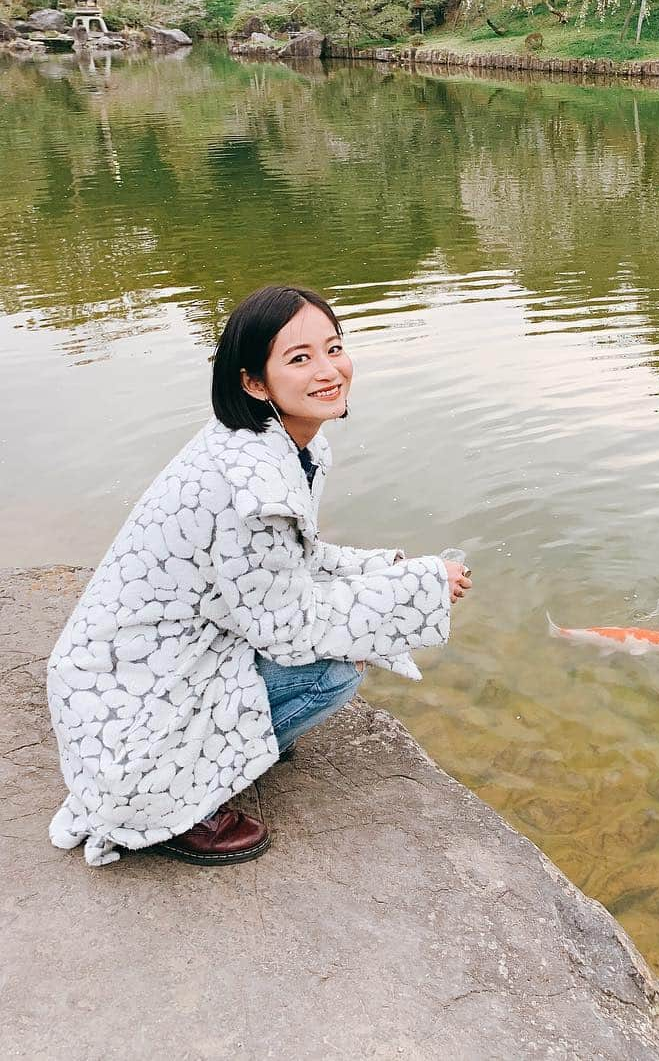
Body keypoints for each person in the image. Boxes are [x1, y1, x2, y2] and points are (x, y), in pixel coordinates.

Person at [46, 285, 472, 867]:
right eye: (299, 359)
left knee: (349, 636)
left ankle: (238, 739)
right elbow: (287, 626)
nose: (329, 372)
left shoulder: (267, 441)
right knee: (333, 673)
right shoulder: (257, 483)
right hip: (135, 704)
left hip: (140, 667)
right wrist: (413, 591)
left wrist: (390, 571)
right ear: (254, 381)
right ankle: (174, 806)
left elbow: (292, 562)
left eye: (334, 348)